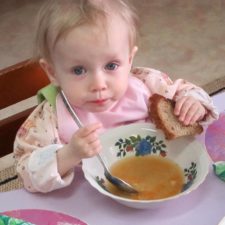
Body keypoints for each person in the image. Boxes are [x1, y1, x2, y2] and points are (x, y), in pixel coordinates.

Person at [14, 0, 218, 193]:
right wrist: (69, 154)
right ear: (52, 72)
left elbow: (187, 91)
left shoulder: (149, 86)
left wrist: (194, 102)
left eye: (111, 66)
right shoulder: (50, 118)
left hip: (163, 182)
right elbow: (27, 173)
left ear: (129, 59)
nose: (98, 84)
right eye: (78, 70)